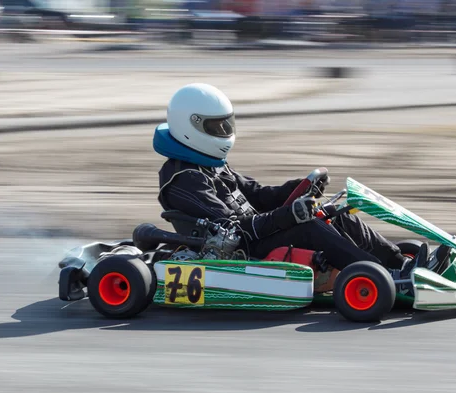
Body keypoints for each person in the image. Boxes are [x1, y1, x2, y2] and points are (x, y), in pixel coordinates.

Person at [153, 83, 429, 277]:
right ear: (190, 126)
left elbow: (258, 194)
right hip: (238, 247)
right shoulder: (183, 179)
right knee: (309, 227)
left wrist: (300, 188)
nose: (224, 132)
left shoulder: (209, 164)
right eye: (216, 127)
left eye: (226, 124)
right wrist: (289, 216)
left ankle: (400, 262)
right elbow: (232, 231)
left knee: (334, 213)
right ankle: (383, 275)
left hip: (258, 230)